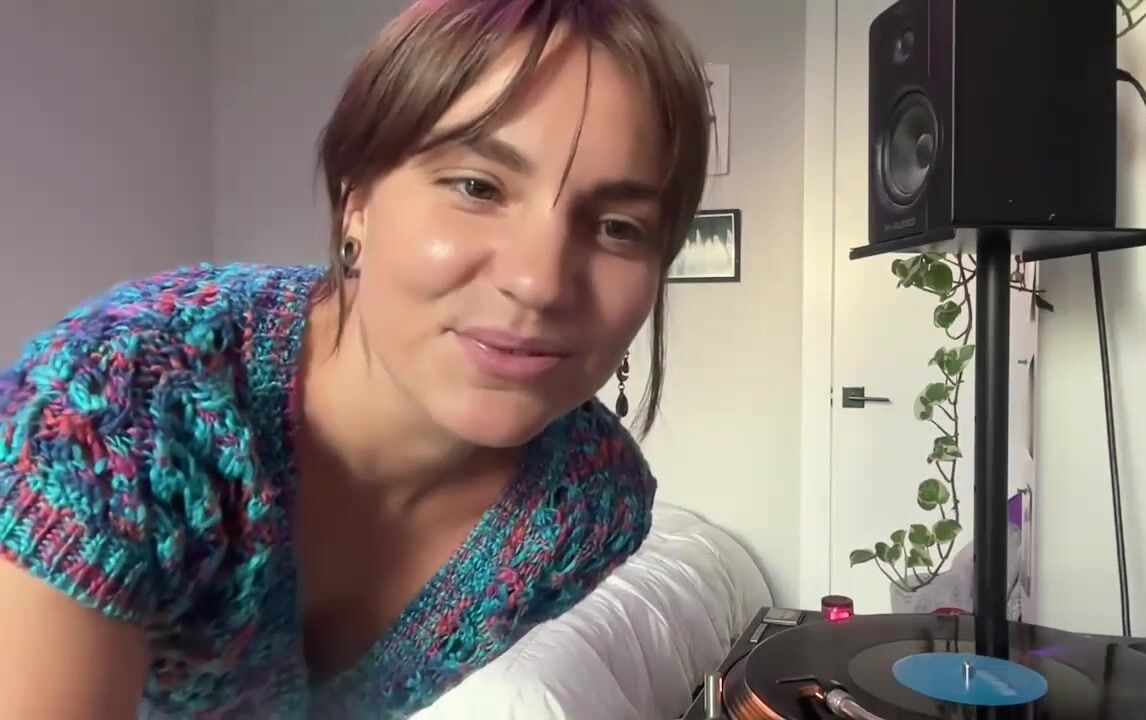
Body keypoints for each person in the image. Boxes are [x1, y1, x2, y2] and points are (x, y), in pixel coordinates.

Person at [0, 0, 711, 716]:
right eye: (478, 187)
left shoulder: (588, 503)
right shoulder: (116, 403)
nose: (540, 282)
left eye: (618, 227)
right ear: (356, 204)